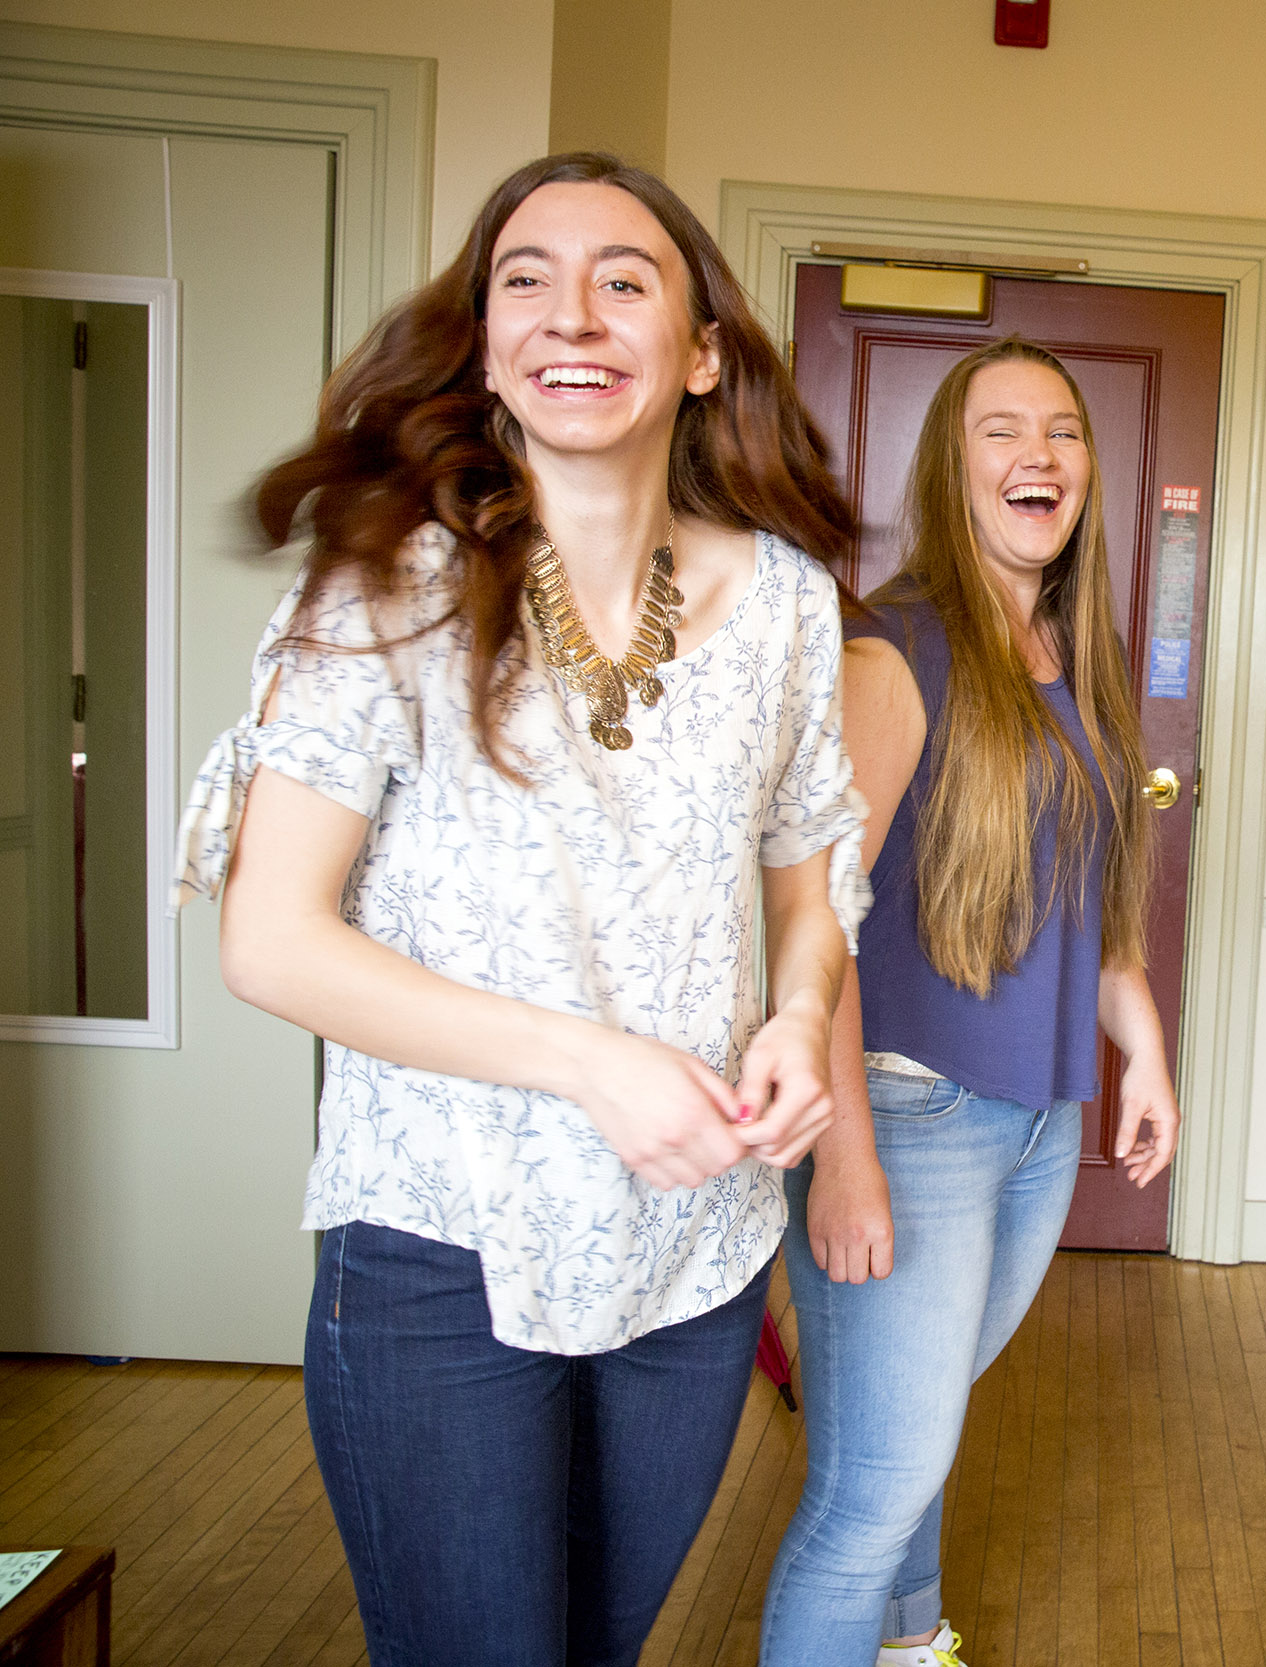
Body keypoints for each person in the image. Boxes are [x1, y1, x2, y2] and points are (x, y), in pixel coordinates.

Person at [175, 153, 876, 1665]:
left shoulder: (787, 609)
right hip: (439, 1246)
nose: (575, 310)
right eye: (526, 277)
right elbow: (270, 936)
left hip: (692, 1256)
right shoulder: (386, 583)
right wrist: (589, 1059)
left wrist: (803, 1012)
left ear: (698, 355)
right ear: (488, 344)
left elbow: (815, 875)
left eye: (627, 278)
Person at [760, 337, 1180, 1667]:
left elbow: (1091, 893)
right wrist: (844, 1158)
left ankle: (910, 1639)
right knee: (867, 1489)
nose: (1038, 456)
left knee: (920, 1423)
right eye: (1001, 430)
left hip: (1039, 1117)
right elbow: (810, 917)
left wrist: (1146, 1052)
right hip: (908, 1106)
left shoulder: (1070, 651)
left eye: (1061, 430)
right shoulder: (892, 648)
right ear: (952, 464)